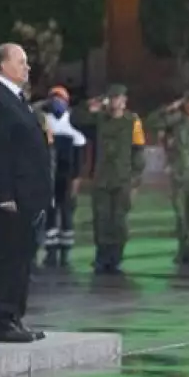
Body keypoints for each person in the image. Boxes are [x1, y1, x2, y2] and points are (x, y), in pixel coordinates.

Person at [0, 44, 52, 343]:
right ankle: (3, 320)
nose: (27, 67)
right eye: (21, 62)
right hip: (12, 197)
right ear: (3, 65)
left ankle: (15, 318)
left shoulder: (16, 98)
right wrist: (4, 192)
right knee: (9, 257)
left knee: (22, 258)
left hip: (29, 194)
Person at [73, 85, 145, 275]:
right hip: (102, 178)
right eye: (112, 98)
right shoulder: (99, 120)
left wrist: (136, 179)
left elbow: (138, 150)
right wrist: (89, 104)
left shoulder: (133, 122)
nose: (115, 102)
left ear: (124, 101)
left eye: (119, 98)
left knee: (119, 221)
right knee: (101, 220)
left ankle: (116, 257)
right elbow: (76, 120)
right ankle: (102, 257)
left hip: (123, 179)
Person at [148, 90, 189, 272]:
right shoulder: (176, 121)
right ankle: (182, 250)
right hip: (179, 175)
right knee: (180, 215)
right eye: (188, 102)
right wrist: (169, 108)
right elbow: (152, 122)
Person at [42, 87, 86, 268]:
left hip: (67, 179)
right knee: (50, 215)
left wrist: (77, 180)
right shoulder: (45, 123)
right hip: (49, 177)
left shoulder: (74, 125)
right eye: (54, 99)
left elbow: (78, 160)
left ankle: (65, 253)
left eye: (60, 99)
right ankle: (51, 252)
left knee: (67, 216)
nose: (57, 103)